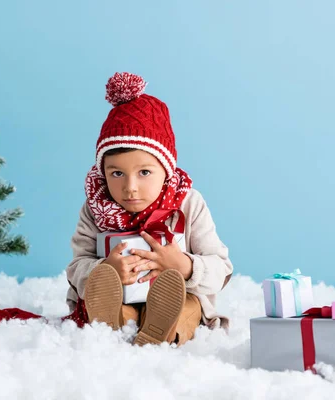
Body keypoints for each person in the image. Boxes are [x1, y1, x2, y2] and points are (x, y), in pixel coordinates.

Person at [66, 72, 233, 346]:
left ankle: (161, 333)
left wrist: (185, 267)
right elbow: (76, 266)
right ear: (103, 173)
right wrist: (104, 270)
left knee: (184, 309)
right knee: (119, 308)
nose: (130, 187)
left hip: (182, 297)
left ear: (166, 170)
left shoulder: (188, 202)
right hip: (121, 295)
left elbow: (221, 268)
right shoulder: (96, 206)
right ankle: (115, 324)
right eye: (117, 174)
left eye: (144, 172)